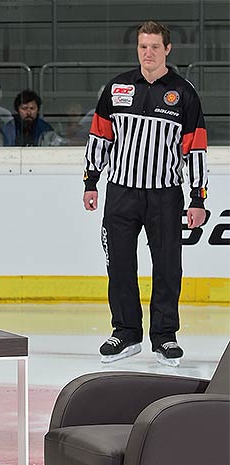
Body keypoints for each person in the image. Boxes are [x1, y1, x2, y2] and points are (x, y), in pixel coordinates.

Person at [83, 21, 208, 367]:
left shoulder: (183, 93)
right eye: (143, 47)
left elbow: (195, 149)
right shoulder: (117, 87)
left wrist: (198, 198)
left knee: (167, 266)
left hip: (165, 195)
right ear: (137, 49)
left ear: (168, 50)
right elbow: (100, 137)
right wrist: (91, 181)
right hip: (121, 192)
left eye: (155, 47)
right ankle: (125, 333)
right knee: (119, 263)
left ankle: (165, 336)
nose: (148, 53)